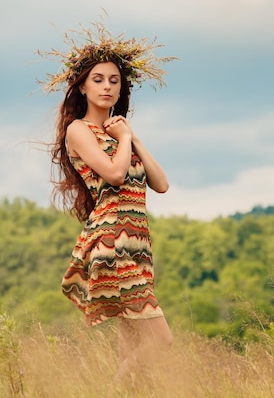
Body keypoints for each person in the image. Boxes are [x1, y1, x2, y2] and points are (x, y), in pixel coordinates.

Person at [38, 22, 177, 382]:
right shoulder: (79, 130)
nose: (107, 86)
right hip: (112, 240)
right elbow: (115, 176)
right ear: (82, 86)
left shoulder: (121, 133)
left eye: (114, 80)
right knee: (161, 340)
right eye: (98, 79)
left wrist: (131, 137)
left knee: (131, 344)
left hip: (138, 244)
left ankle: (129, 390)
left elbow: (160, 184)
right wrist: (125, 139)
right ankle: (116, 390)